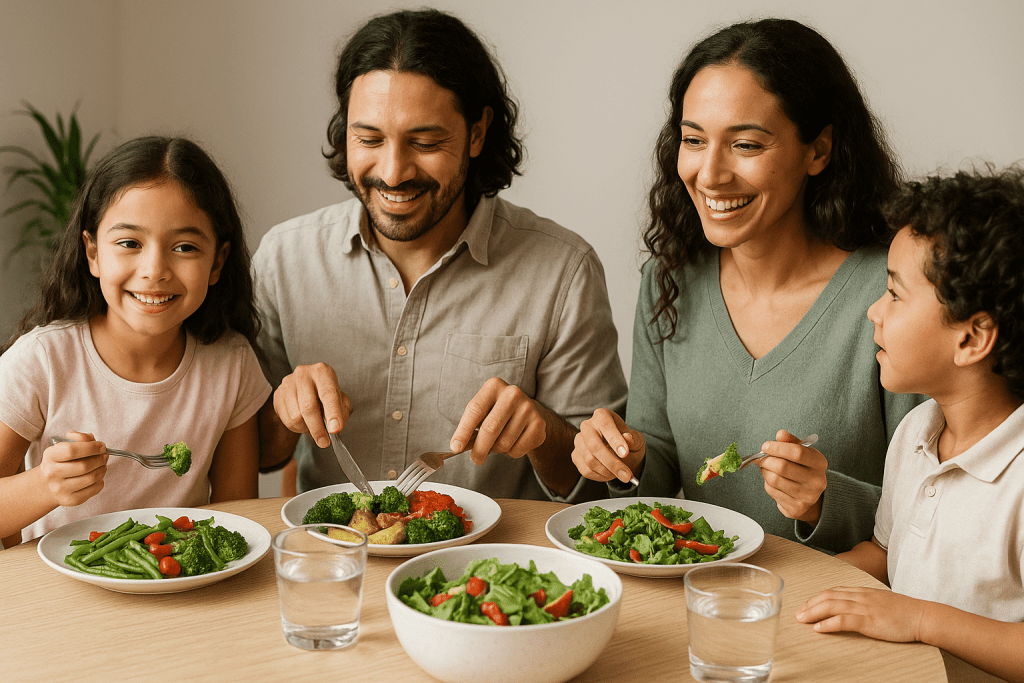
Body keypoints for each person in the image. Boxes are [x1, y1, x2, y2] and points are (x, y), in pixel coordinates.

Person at [571, 18, 923, 552]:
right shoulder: (667, 280)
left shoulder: (893, 294)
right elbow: (660, 466)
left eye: (746, 145)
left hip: (836, 612)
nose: (710, 174)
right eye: (693, 140)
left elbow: (935, 509)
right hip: (700, 596)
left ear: (819, 151)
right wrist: (628, 458)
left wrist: (825, 499)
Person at [253, 8, 626, 502]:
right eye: (368, 139)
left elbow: (601, 494)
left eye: (425, 142)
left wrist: (543, 432)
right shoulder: (285, 259)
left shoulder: (563, 272)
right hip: (338, 560)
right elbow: (258, 454)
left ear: (476, 133)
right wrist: (283, 411)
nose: (393, 171)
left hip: (492, 570)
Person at [797, 167, 1024, 683]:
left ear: (971, 339)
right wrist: (787, 586)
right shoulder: (919, 429)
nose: (874, 311)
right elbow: (883, 553)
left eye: (895, 295)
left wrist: (919, 619)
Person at [0, 136, 270, 547]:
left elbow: (237, 523)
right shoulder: (42, 361)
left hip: (181, 586)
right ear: (92, 252)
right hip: (59, 597)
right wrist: (45, 485)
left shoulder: (232, 363)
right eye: (129, 243)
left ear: (217, 262)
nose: (154, 270)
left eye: (184, 247)